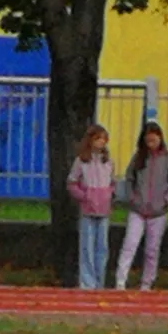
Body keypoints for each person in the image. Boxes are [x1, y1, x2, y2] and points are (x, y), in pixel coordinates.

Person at [117, 122, 168, 291]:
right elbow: (129, 178)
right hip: (137, 210)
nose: (152, 142)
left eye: (155, 138)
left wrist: (165, 199)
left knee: (152, 249)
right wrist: (132, 197)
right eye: (149, 139)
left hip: (158, 212)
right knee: (130, 244)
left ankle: (147, 282)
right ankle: (120, 280)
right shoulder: (138, 158)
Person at [66, 124, 114, 290]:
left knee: (102, 247)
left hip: (104, 210)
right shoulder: (81, 161)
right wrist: (84, 196)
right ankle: (87, 282)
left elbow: (112, 182)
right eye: (98, 138)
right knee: (87, 246)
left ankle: (100, 281)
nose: (101, 142)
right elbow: (72, 183)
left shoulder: (108, 161)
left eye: (103, 139)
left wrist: (108, 194)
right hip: (88, 210)